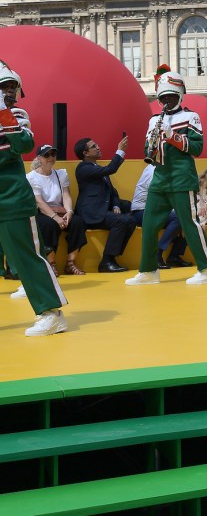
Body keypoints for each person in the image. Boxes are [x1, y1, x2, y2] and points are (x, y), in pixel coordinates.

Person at [124, 66, 207, 285]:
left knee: (190, 223)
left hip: (182, 178)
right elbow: (149, 149)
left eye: (170, 96)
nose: (166, 100)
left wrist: (172, 136)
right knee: (149, 224)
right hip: (160, 177)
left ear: (179, 95)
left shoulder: (190, 117)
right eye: (163, 97)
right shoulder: (153, 120)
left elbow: (197, 148)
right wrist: (153, 144)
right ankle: (148, 271)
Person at [0, 59, 68, 335]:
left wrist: (4, 113)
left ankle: (51, 312)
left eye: (12, 87)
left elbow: (25, 144)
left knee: (26, 255)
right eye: (4, 86)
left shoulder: (16, 114)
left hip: (10, 197)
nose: (9, 92)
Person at [74, 135, 136, 273]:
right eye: (94, 146)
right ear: (85, 153)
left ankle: (113, 257)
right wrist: (120, 151)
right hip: (92, 213)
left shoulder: (98, 168)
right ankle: (106, 261)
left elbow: (112, 192)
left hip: (103, 209)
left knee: (131, 218)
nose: (98, 147)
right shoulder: (83, 168)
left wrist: (116, 205)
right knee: (122, 221)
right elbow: (111, 168)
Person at [28, 144, 88, 276]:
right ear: (39, 158)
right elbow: (39, 201)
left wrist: (69, 212)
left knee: (78, 223)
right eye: (46, 155)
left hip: (60, 211)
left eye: (53, 154)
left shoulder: (61, 174)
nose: (50, 157)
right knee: (48, 225)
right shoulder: (32, 177)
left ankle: (71, 263)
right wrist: (55, 217)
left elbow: (66, 195)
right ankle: (51, 264)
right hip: (42, 212)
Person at [130, 163, 191, 269]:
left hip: (155, 210)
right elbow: (158, 199)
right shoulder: (153, 172)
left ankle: (174, 256)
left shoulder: (163, 170)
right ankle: (157, 254)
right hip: (141, 212)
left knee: (188, 216)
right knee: (180, 217)